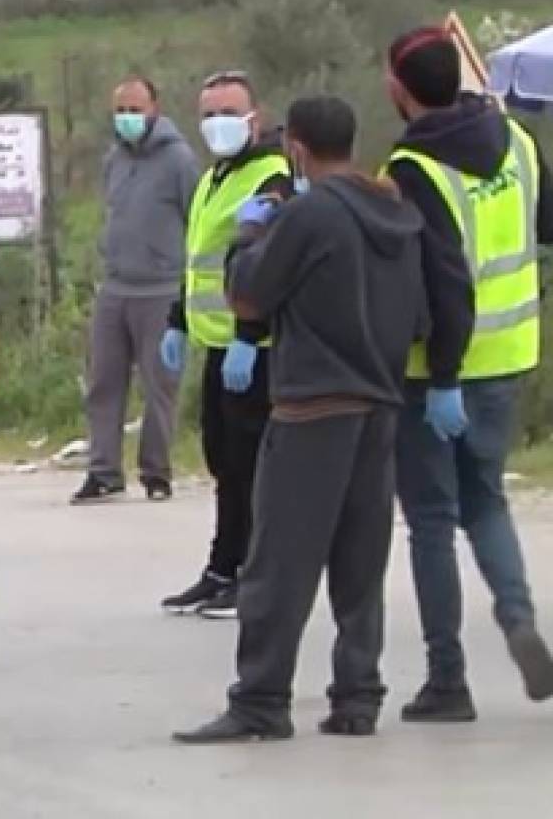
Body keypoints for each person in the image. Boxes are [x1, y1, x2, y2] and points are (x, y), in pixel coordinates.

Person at [174, 96, 429, 745]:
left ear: (297, 148)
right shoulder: (396, 211)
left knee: (278, 563)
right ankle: (357, 696)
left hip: (312, 404)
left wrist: (250, 234)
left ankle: (260, 700)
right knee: (359, 561)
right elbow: (420, 315)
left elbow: (247, 294)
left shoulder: (307, 214)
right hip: (379, 403)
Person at [380, 26, 553, 722]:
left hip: (438, 374)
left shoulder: (413, 168)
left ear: (399, 89)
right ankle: (517, 618)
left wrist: (445, 374)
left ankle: (446, 679)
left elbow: (445, 280)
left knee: (430, 520)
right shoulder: (518, 141)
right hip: (510, 355)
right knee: (486, 502)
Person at [158, 72, 292, 619]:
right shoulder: (216, 177)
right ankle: (222, 568)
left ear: (255, 118)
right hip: (217, 344)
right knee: (224, 465)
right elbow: (200, 259)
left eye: (229, 113)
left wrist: (249, 335)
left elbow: (265, 264)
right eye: (209, 114)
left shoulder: (272, 178)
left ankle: (254, 576)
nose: (218, 124)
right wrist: (177, 319)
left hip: (254, 350)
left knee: (251, 469)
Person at [73, 75, 199, 504]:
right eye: (120, 110)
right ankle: (104, 470)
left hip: (161, 288)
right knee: (103, 383)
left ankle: (156, 472)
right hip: (116, 287)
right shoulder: (114, 159)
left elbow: (195, 217)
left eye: (135, 109)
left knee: (159, 385)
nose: (127, 118)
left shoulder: (179, 160)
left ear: (154, 110)